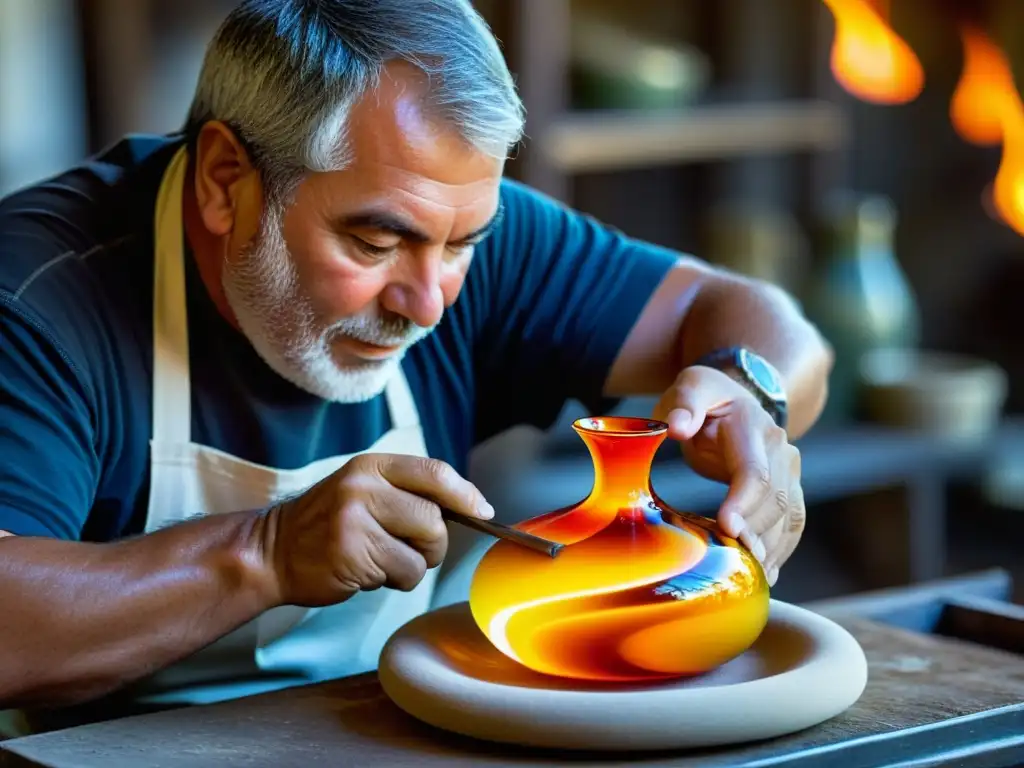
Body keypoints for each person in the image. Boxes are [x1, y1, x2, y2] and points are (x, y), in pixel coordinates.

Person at [0, 0, 831, 725]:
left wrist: (750, 392)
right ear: (226, 181)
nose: (429, 302)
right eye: (373, 241)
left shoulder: (455, 232)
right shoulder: (36, 299)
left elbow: (754, 321)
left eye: (462, 245)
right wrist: (267, 552)